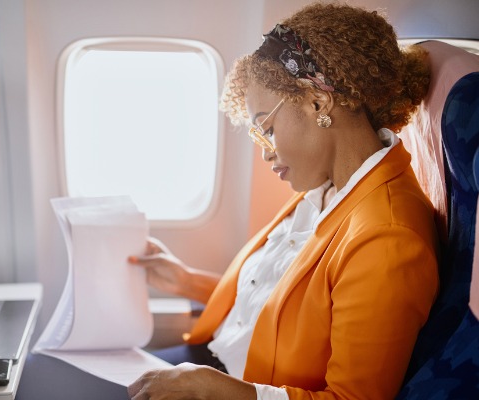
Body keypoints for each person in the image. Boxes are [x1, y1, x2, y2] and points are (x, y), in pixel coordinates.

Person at [127, 3, 439, 400]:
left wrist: (214, 390)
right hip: (211, 361)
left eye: (267, 129)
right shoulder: (327, 188)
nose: (266, 153)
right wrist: (185, 280)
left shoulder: (387, 238)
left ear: (317, 103)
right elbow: (282, 306)